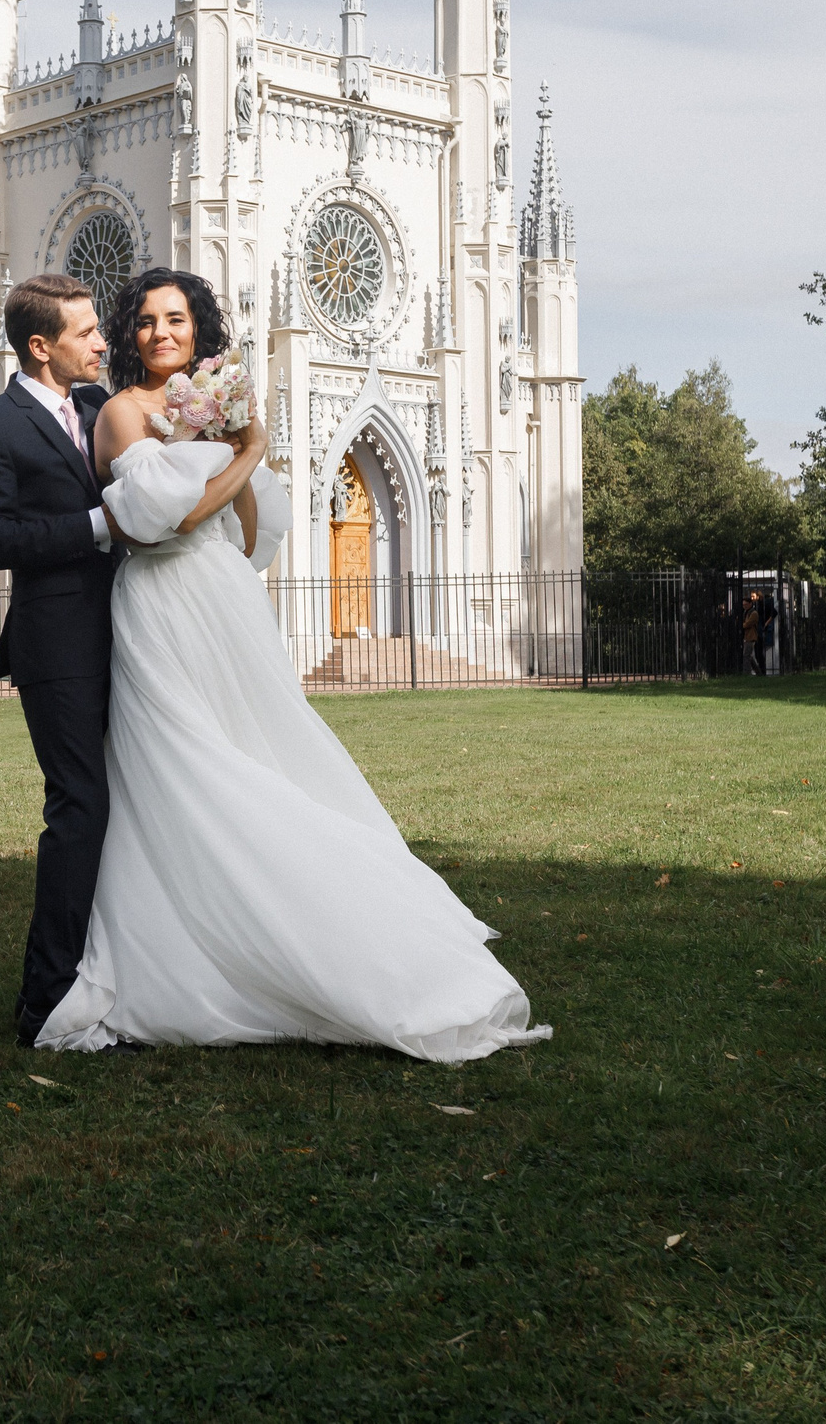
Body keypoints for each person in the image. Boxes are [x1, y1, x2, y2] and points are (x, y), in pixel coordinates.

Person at [34, 268, 549, 1061]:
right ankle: (195, 942)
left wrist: (235, 451)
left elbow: (244, 529)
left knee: (265, 753)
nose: (158, 333)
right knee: (185, 765)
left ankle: (337, 926)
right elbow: (153, 527)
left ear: (200, 329)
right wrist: (251, 448)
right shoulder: (122, 415)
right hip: (161, 603)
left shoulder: (200, 405)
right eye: (142, 321)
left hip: (225, 600)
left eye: (175, 318)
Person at [0, 274, 127, 1050]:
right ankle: (45, 1001)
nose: (100, 342)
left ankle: (117, 973)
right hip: (56, 646)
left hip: (133, 633)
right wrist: (96, 525)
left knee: (129, 802)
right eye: (86, 333)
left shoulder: (99, 408)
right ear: (40, 346)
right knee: (80, 808)